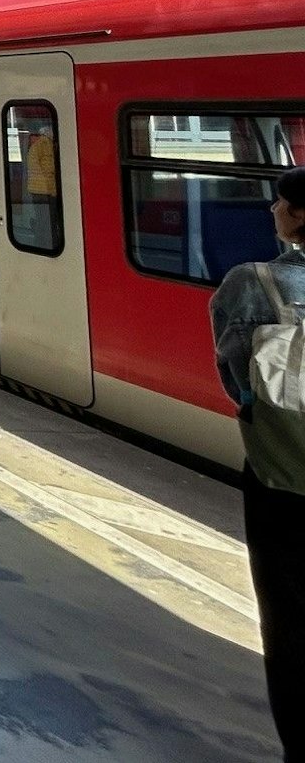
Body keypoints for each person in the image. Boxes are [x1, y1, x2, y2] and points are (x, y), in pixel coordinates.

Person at [210, 165, 305, 761]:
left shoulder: (255, 285)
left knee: (292, 620)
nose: (271, 212)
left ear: (297, 215)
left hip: (287, 478)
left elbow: (237, 382)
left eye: (277, 203)